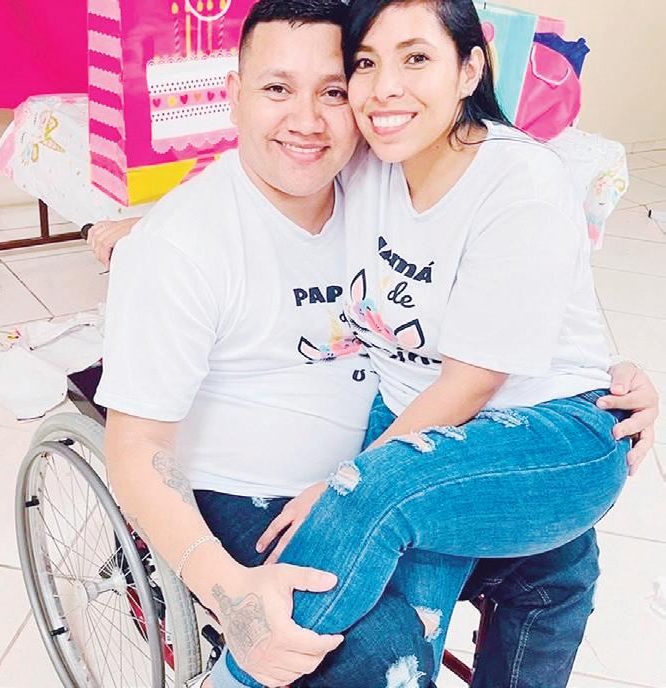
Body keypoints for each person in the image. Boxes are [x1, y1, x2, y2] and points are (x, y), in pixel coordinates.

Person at [92, 1, 659, 687]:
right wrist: (230, 592)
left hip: (402, 461)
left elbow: (500, 305)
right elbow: (135, 449)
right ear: (234, 95)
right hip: (256, 495)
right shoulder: (181, 246)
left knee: (562, 565)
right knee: (383, 651)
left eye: (333, 90)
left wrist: (604, 375)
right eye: (277, 88)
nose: (307, 121)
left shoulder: (379, 175)